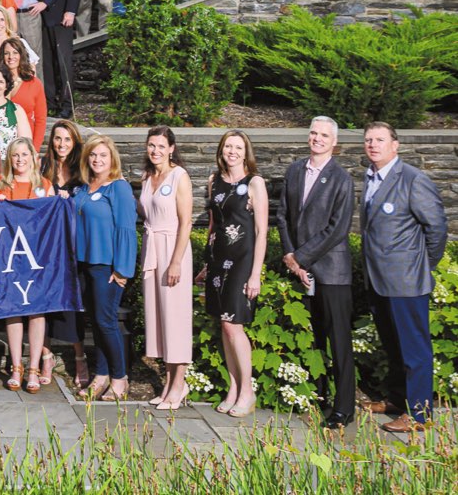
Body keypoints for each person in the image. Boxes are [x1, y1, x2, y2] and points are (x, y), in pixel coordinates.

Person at [360, 121, 448, 433]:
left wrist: (421, 265)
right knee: (393, 345)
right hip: (379, 280)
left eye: (380, 139)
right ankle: (397, 400)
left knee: (414, 350)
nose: (373, 144)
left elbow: (436, 229)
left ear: (395, 145)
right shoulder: (370, 177)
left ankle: (420, 415)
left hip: (406, 281)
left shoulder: (412, 179)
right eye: (369, 139)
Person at [276, 115, 355, 429]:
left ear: (334, 142)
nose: (317, 139)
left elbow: (338, 229)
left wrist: (301, 258)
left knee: (339, 341)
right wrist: (289, 256)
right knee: (313, 338)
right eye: (313, 133)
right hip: (301, 269)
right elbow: (282, 216)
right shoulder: (295, 170)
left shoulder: (342, 178)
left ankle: (344, 408)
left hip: (332, 271)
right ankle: (318, 394)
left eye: (324, 135)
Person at [201, 129, 267, 418]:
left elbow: (262, 232)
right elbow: (213, 226)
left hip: (242, 261)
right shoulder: (213, 181)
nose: (233, 151)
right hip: (218, 261)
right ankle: (233, 387)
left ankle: (247, 391)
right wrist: (206, 262)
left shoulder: (255, 183)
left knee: (233, 325)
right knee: (223, 326)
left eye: (238, 147)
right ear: (222, 149)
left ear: (246, 151)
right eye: (228, 146)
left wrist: (256, 275)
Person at [75, 133, 137, 403]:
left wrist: (123, 269)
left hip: (107, 266)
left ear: (112, 159)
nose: (97, 159)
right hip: (84, 263)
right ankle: (100, 376)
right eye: (93, 154)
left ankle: (119, 377)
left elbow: (126, 228)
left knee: (106, 322)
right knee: (96, 323)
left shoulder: (118, 188)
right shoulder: (85, 187)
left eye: (103, 155)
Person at [0, 137, 53, 392]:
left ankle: (33, 367)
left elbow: (52, 222)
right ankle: (16, 366)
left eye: (24, 155)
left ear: (33, 158)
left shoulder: (45, 186)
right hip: (8, 255)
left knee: (37, 311)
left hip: (36, 255)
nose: (19, 160)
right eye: (15, 155)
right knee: (13, 308)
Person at [139, 125, 194, 411]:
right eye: (151, 145)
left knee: (176, 317)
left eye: (161, 146)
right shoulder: (148, 177)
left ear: (171, 148)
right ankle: (169, 381)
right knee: (161, 318)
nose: (155, 150)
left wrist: (175, 260)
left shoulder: (179, 176)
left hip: (173, 249)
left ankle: (180, 383)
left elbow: (186, 222)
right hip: (152, 247)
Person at [41, 119, 87, 387]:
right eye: (58, 139)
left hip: (74, 245)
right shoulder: (43, 167)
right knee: (45, 302)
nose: (62, 144)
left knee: (73, 301)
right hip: (47, 246)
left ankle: (79, 356)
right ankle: (46, 357)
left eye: (67, 140)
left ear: (75, 142)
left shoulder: (83, 170)